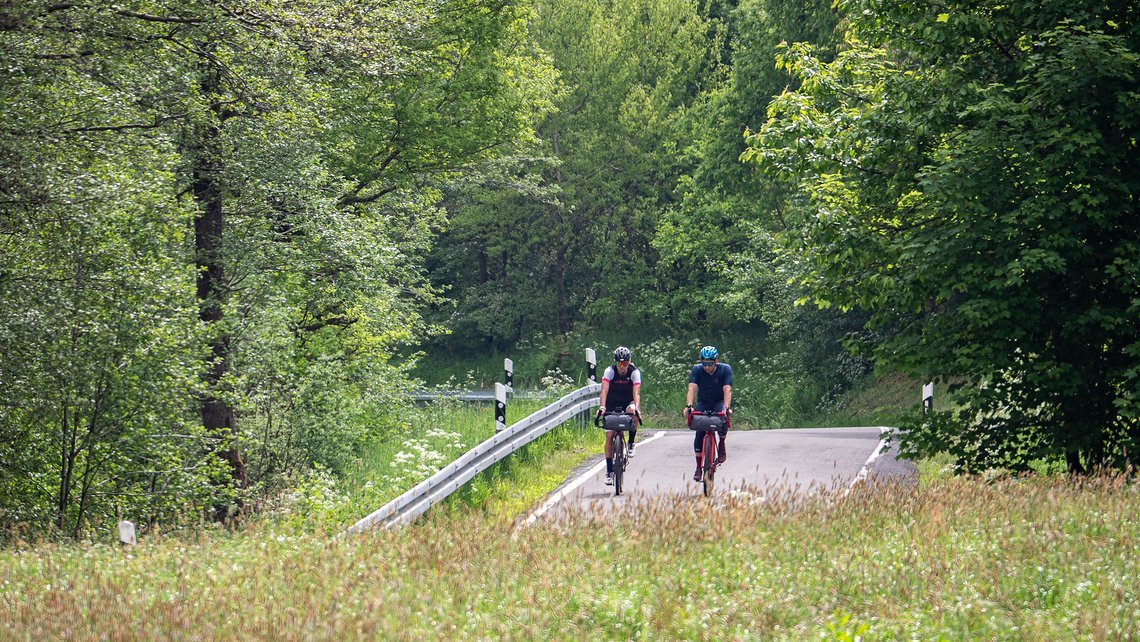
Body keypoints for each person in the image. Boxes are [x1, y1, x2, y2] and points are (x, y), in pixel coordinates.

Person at [683, 345, 733, 482]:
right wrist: (689, 406)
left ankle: (721, 443)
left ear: (716, 361)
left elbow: (727, 390)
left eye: (709, 363)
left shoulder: (725, 369)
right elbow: (691, 388)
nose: (706, 366)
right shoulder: (697, 370)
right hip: (703, 402)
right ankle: (699, 468)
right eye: (703, 363)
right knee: (699, 430)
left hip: (718, 401)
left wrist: (726, 407)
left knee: (723, 419)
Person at [595, 346, 641, 486]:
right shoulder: (610, 371)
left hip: (627, 402)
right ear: (616, 362)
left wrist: (637, 408)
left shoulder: (634, 372)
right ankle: (609, 471)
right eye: (620, 363)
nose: (622, 366)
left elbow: (636, 393)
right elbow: (604, 390)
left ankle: (631, 442)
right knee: (609, 436)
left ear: (629, 362)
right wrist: (602, 407)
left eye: (625, 363)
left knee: (634, 411)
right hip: (611, 403)